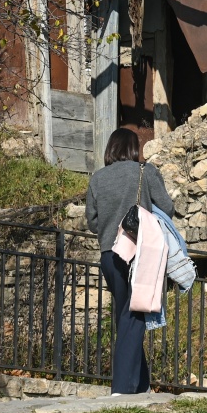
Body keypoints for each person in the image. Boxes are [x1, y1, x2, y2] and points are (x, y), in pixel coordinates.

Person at [85, 128, 174, 395]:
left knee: (126, 315)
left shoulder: (97, 178)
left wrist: (111, 224)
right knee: (135, 315)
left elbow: (92, 222)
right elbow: (168, 207)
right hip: (138, 252)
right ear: (134, 148)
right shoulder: (145, 172)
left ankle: (141, 385)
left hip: (109, 255)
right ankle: (122, 388)